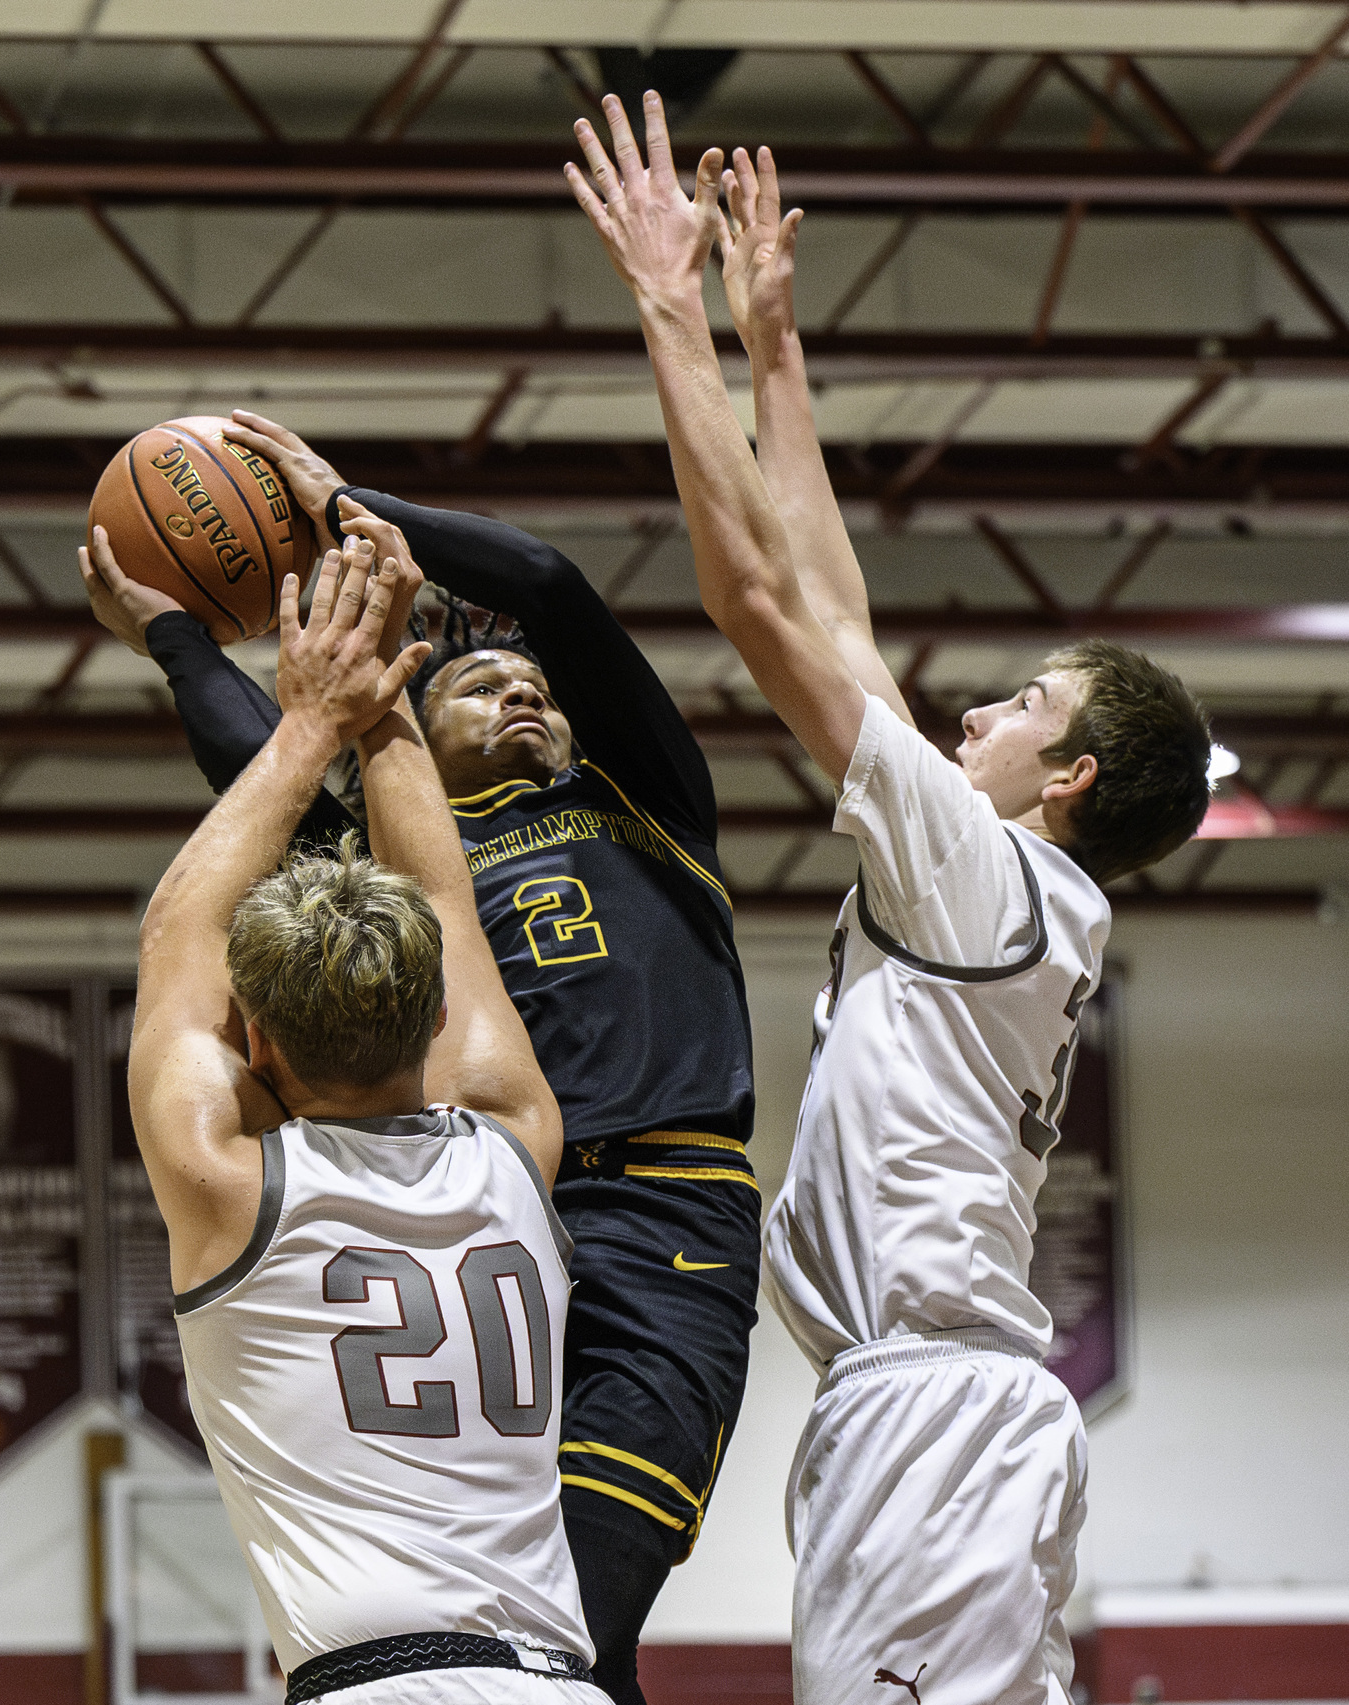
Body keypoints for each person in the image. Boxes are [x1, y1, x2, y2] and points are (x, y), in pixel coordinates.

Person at [566, 94, 1211, 1705]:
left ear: (1065, 781)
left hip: (933, 1415)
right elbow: (838, 614)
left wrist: (670, 307)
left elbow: (759, 597)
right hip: (931, 1409)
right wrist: (774, 338)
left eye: (1019, 707)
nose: (974, 714)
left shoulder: (986, 875)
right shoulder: (997, 889)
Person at [82, 438, 761, 1705]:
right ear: (411, 727)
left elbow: (551, 584)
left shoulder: (646, 797)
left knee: (586, 1623)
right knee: (520, 1622)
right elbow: (264, 767)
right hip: (481, 1206)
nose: (524, 695)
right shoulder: (394, 865)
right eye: (479, 683)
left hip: (661, 1222)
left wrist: (348, 506)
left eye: (535, 690)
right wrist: (182, 642)